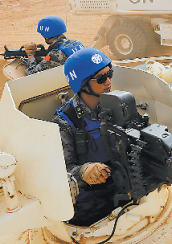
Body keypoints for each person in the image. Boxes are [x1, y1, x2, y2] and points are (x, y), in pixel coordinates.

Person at [52, 48, 144, 226]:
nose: (109, 81)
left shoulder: (117, 104)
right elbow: (59, 172)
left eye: (110, 73)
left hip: (125, 186)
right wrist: (83, 171)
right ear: (83, 84)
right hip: (91, 202)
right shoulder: (64, 122)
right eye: (101, 78)